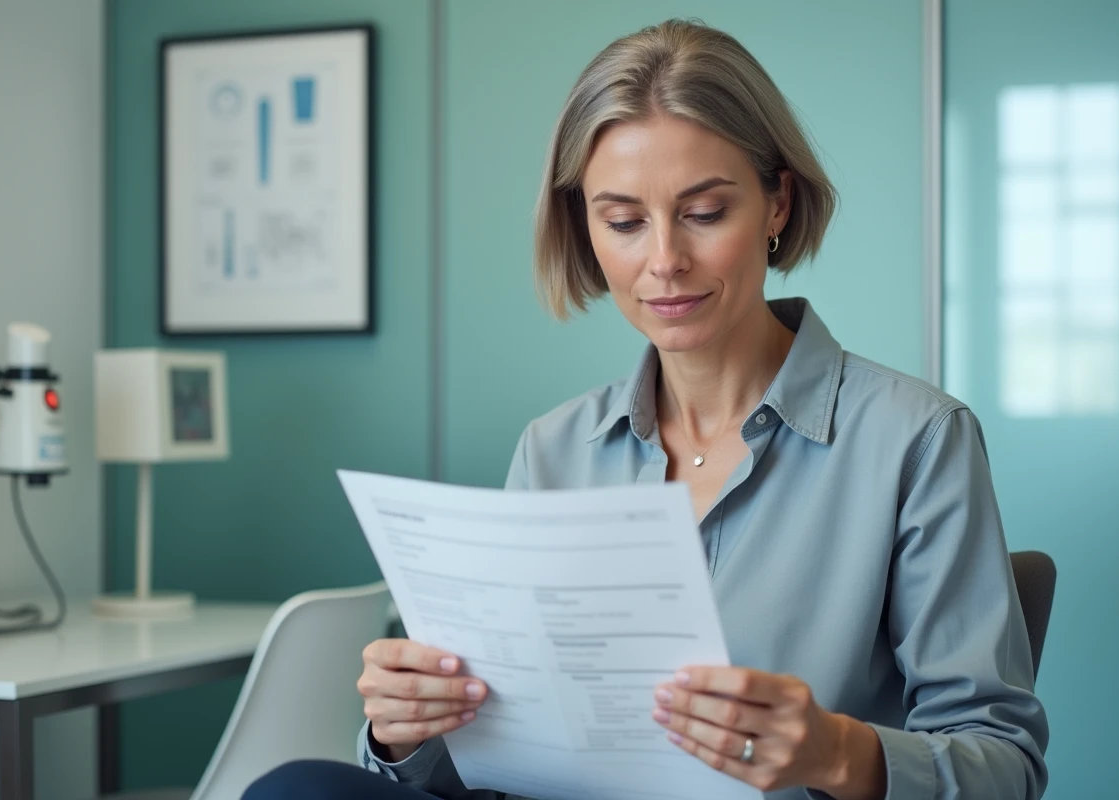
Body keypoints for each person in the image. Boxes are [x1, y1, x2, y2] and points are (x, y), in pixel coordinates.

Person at [244, 18, 1048, 800]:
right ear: (585, 228)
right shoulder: (554, 450)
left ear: (776, 205)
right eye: (623, 221)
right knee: (296, 788)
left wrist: (836, 752)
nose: (663, 260)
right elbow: (483, 767)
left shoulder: (915, 440)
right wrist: (408, 733)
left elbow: (1002, 765)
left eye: (704, 213)